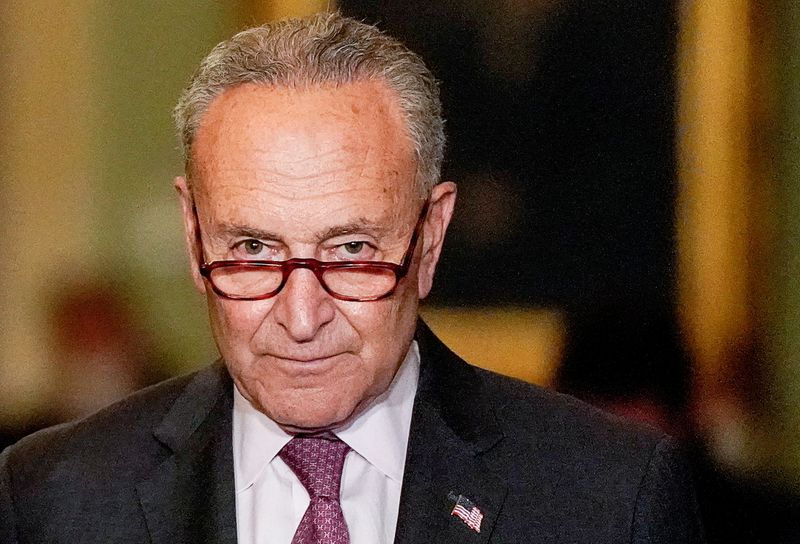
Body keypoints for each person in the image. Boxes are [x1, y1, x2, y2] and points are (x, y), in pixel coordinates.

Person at [0, 12, 704, 543]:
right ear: (193, 236)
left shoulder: (610, 499)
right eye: (252, 249)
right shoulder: (55, 499)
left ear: (429, 239)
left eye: (350, 251)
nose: (302, 318)